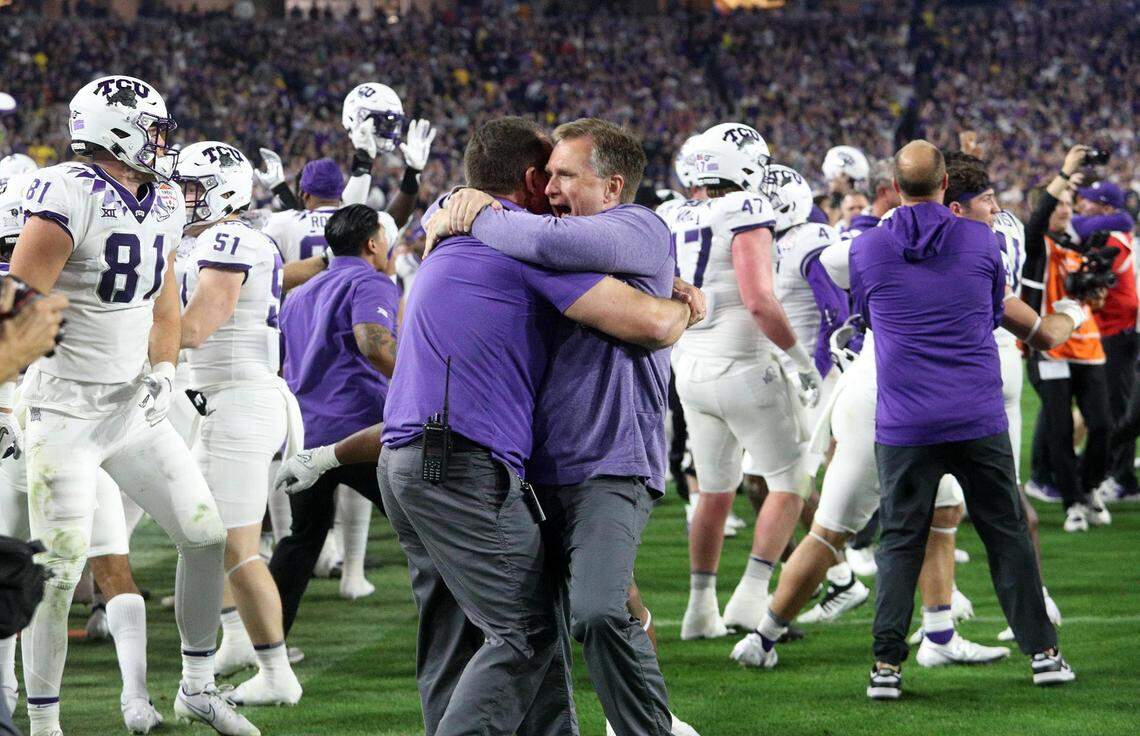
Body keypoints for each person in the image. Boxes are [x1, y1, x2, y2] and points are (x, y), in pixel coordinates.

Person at [384, 116, 699, 736]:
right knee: (525, 632)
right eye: (548, 175)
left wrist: (457, 206)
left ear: (611, 186)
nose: (553, 191)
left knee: (458, 637)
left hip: (410, 458)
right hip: (466, 460)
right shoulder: (524, 248)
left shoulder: (451, 239)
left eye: (567, 175)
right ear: (530, 179)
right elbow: (650, 323)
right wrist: (678, 305)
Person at [7, 76, 257, 735]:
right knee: (57, 576)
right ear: (118, 129)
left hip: (131, 410)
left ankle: (199, 686)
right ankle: (43, 723)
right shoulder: (66, 189)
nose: (163, 141)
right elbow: (16, 304)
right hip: (62, 412)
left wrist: (166, 368)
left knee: (205, 536)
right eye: (154, 128)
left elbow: (165, 305)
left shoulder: (168, 198)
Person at [849, 140, 1075, 699]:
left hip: (904, 420)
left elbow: (868, 314)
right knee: (1007, 534)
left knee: (900, 541)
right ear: (947, 184)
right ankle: (1044, 655)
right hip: (975, 412)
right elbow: (999, 309)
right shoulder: (980, 240)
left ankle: (885, 668)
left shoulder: (868, 249)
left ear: (896, 188)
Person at [654, 126, 823, 642]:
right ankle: (750, 600)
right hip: (745, 365)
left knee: (714, 489)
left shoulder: (670, 213)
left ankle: (700, 609)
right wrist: (800, 359)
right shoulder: (746, 208)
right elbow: (758, 300)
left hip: (691, 370)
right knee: (790, 483)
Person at [174, 141, 303, 706]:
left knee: (237, 545)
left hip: (241, 402)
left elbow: (195, 328)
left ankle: (277, 673)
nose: (182, 197)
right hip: (218, 402)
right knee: (203, 538)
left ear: (223, 187)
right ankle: (233, 643)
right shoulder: (215, 239)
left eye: (193, 187)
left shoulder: (232, 239)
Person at [269, 204, 398, 636]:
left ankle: (268, 648)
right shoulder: (372, 281)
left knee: (301, 539)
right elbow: (374, 344)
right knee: (425, 530)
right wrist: (420, 383)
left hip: (305, 434)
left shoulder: (300, 293)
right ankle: (462, 639)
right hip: (360, 431)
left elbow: (283, 363)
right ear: (372, 243)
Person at [1022, 146, 1113, 532]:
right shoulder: (1037, 244)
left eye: (1068, 204)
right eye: (1057, 203)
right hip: (1050, 348)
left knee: (1104, 425)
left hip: (1087, 347)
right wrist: (1063, 172)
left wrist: (1096, 293)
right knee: (1059, 430)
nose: (1064, 209)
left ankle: (1090, 487)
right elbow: (1036, 220)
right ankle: (1073, 502)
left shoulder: (1080, 245)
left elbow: (1089, 294)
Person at [1073, 181, 1137, 501]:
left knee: (1120, 411)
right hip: (1113, 330)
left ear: (1107, 207)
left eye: (1089, 201)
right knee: (1119, 409)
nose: (1082, 204)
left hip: (1118, 332)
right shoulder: (1114, 229)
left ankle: (1118, 475)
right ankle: (1115, 473)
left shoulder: (1113, 238)